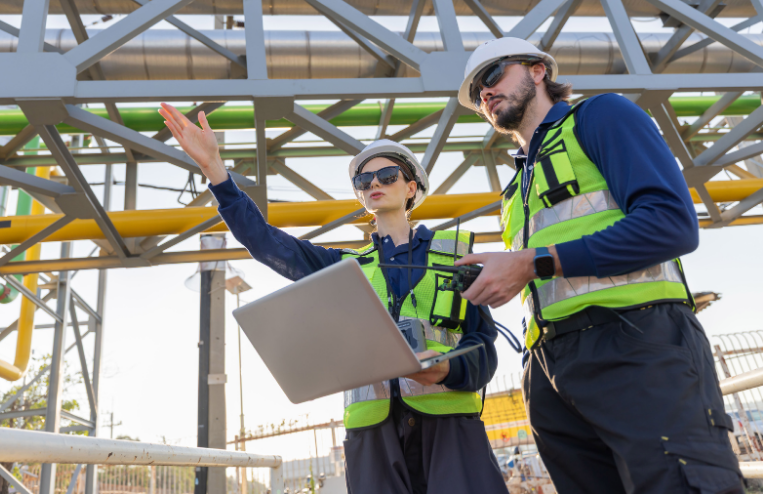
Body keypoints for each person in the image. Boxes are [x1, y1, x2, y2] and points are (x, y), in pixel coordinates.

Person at [158, 104, 509, 494]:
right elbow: (265, 241)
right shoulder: (344, 267)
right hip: (372, 432)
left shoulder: (454, 257)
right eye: (364, 179)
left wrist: (446, 370)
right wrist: (215, 170)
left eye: (387, 175)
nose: (374, 182)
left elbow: (483, 345)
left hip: (450, 427)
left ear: (411, 187)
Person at [453, 37, 744, 494]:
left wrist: (533, 262)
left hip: (635, 345)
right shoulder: (515, 192)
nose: (484, 94)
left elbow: (672, 224)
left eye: (492, 76)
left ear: (536, 71)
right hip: (549, 371)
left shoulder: (600, 116)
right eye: (476, 95)